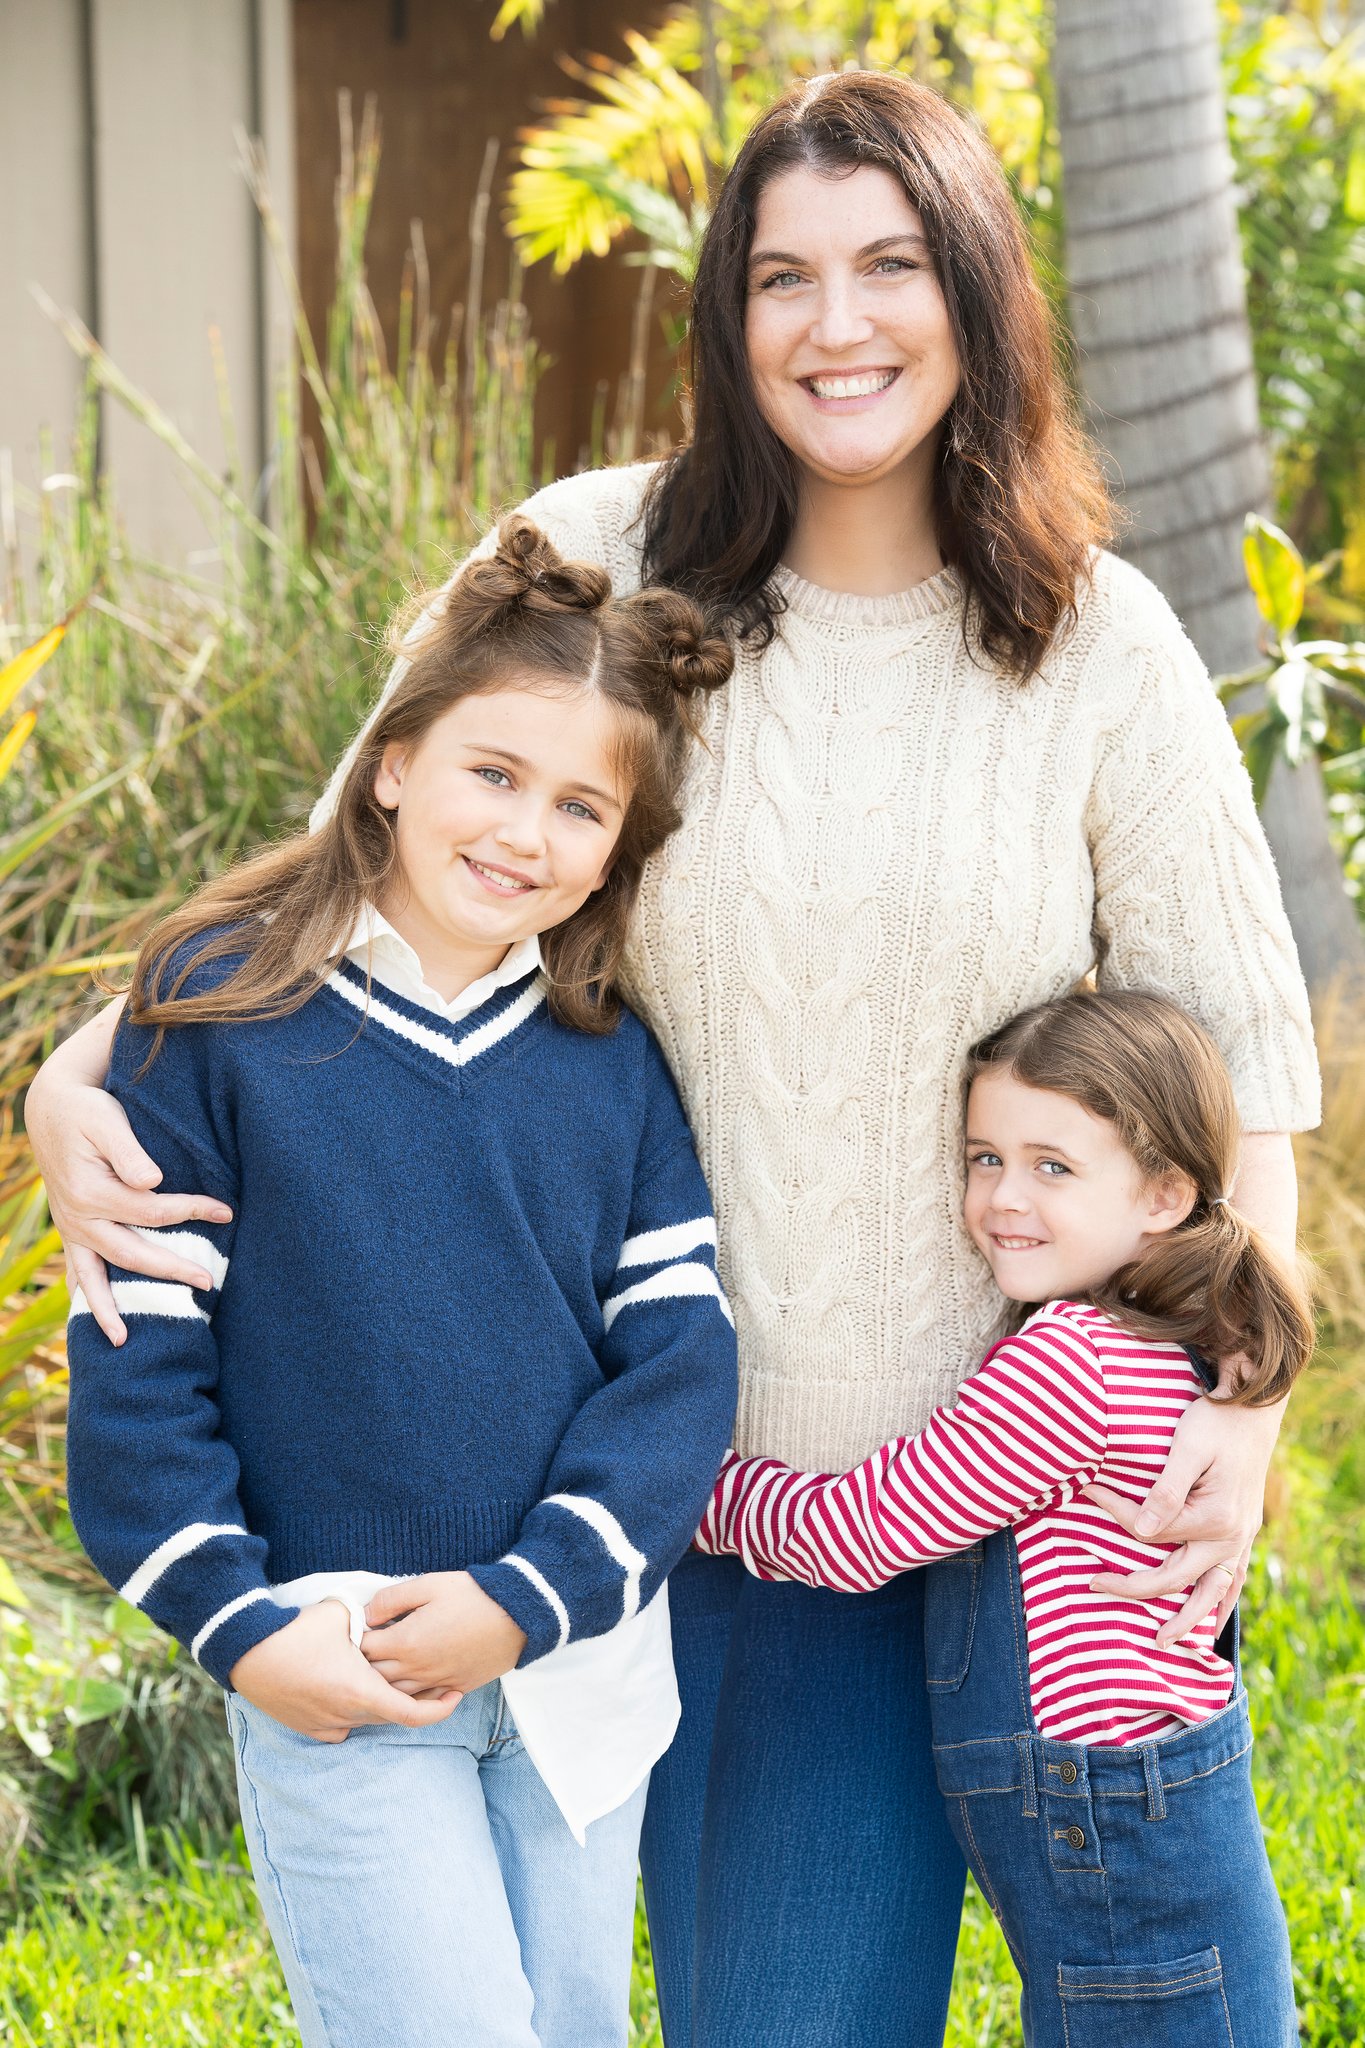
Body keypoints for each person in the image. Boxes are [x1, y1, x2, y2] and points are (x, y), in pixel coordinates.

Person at [28, 70, 1319, 2048]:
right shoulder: (585, 555)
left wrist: (1246, 1393)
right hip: (717, 1504)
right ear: (724, 319)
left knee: (1170, 2019)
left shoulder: (1092, 640)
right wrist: (71, 1078)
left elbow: (1237, 1060)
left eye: (890, 265)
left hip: (1055, 1487)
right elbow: (335, 884)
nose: (836, 323)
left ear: (972, 293)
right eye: (780, 277)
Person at [61, 519, 739, 2048]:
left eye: (580, 806)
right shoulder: (218, 1023)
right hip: (337, 1668)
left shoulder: (612, 1066)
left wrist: (525, 1600)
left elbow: (679, 1372)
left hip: (571, 1676)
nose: (524, 832)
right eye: (490, 773)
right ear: (390, 765)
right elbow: (138, 1363)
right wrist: (242, 1630)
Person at [697, 987, 1311, 2047]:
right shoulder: (1177, 1338)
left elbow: (858, 1532)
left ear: (1164, 1192)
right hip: (1154, 1814)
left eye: (1052, 1165)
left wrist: (677, 1484)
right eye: (985, 1156)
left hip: (1120, 1828)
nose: (1002, 1197)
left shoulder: (1073, 1357)